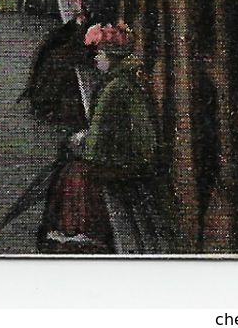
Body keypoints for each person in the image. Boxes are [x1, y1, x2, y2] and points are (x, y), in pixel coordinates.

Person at [37, 22, 175, 253]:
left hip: (132, 163)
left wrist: (79, 143)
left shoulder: (115, 89)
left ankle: (78, 230)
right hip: (134, 156)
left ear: (112, 57)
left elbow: (97, 146)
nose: (95, 59)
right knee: (73, 169)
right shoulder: (122, 81)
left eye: (99, 54)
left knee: (75, 172)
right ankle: (73, 229)